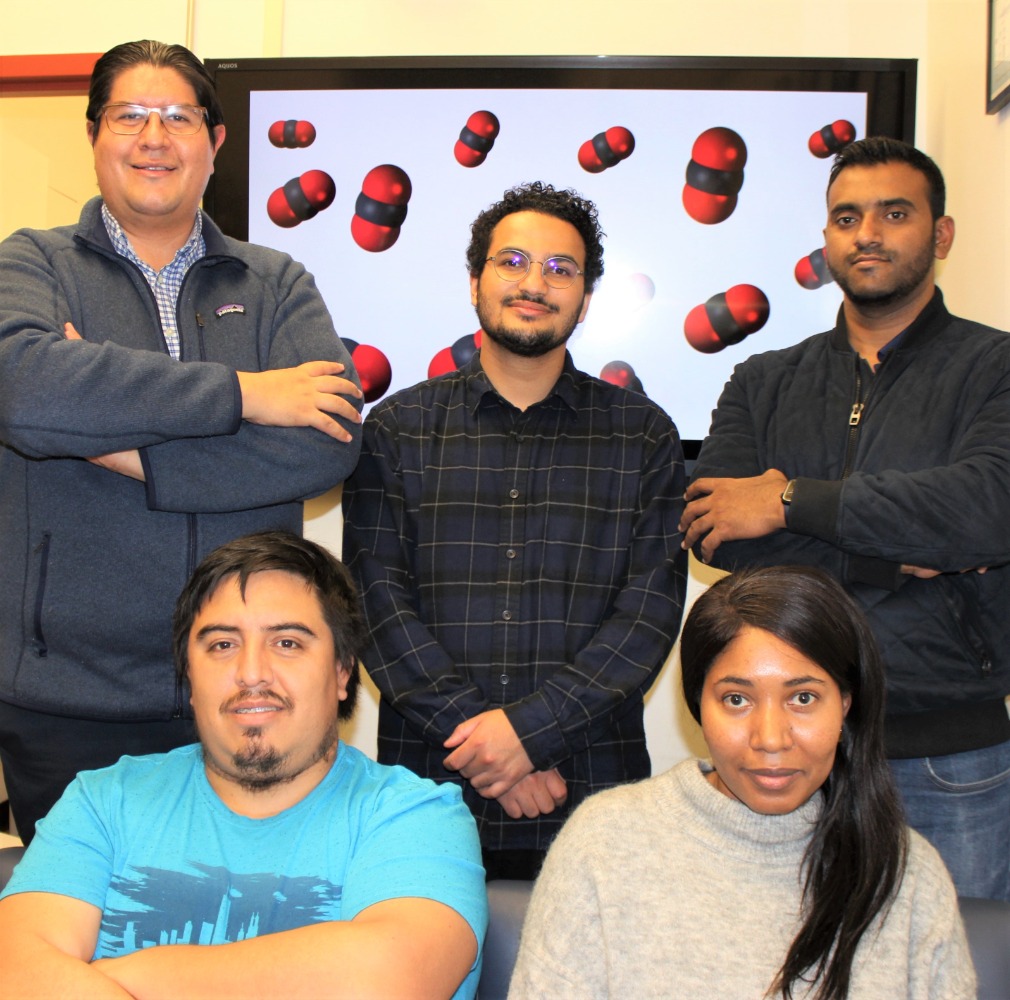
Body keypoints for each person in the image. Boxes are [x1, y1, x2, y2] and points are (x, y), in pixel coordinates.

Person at [0, 40, 364, 844]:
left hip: (250, 690)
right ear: (93, 136)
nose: (153, 138)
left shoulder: (277, 282)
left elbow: (328, 443)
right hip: (69, 696)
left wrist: (121, 447)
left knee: (238, 935)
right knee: (80, 939)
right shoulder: (31, 261)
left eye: (178, 116)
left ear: (215, 141)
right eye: (129, 116)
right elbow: (25, 392)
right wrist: (250, 395)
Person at [678, 137, 1010, 902]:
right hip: (782, 755)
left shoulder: (994, 368)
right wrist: (900, 553)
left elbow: (987, 508)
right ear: (826, 238)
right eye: (847, 217)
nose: (868, 234)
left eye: (894, 213)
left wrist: (789, 502)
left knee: (958, 973)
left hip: (950, 757)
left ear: (941, 234)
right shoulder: (763, 381)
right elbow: (715, 529)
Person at [342, 182, 687, 879]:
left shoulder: (644, 436)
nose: (536, 283)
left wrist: (529, 734)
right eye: (513, 262)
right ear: (475, 282)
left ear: (586, 299)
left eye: (561, 269)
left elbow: (645, 620)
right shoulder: (396, 429)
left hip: (592, 791)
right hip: (430, 787)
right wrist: (492, 746)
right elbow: (377, 605)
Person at [0, 531, 486, 999]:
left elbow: (386, 981)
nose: (252, 672)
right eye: (222, 645)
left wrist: (113, 978)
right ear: (189, 677)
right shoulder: (104, 801)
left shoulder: (414, 816)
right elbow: (15, 969)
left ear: (342, 672)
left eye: (288, 642)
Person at [509, 566, 975, 1000]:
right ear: (698, 707)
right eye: (736, 699)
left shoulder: (907, 874)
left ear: (847, 704)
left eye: (804, 698)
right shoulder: (605, 845)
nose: (770, 739)